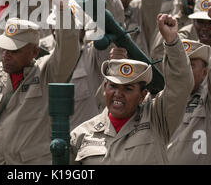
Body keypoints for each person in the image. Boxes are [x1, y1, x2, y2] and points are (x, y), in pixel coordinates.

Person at [70, 13, 194, 164]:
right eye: (113, 86)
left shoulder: (157, 119)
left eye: (128, 89)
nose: (118, 94)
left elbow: (181, 84)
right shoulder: (81, 134)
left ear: (143, 95)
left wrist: (173, 42)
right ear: (104, 87)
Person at [0, 0, 80, 165]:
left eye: (15, 50)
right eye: (4, 49)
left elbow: (68, 49)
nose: (7, 55)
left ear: (34, 52)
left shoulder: (46, 73)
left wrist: (62, 9)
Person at [167, 2, 211, 164]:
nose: (183, 71)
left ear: (204, 72)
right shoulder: (158, 101)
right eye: (178, 65)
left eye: (190, 65)